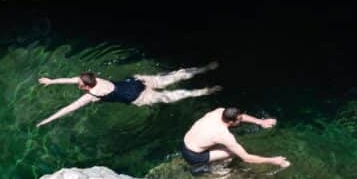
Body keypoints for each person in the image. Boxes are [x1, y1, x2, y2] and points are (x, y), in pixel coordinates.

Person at [35, 63, 220, 127]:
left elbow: (68, 109)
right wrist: (51, 81)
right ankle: (205, 68)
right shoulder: (94, 79)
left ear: (84, 86)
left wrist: (47, 120)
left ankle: (202, 92)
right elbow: (70, 80)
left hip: (139, 98)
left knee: (172, 96)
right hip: (138, 82)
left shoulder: (91, 96)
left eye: (79, 83)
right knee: (175, 76)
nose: (77, 83)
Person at [181, 107, 290, 169]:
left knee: (218, 143)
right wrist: (273, 160)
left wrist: (260, 122)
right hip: (193, 156)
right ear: (231, 122)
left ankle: (211, 155)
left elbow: (239, 116)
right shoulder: (224, 135)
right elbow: (246, 158)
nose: (241, 119)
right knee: (232, 153)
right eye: (239, 119)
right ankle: (218, 170)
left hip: (185, 142)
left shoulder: (218, 112)